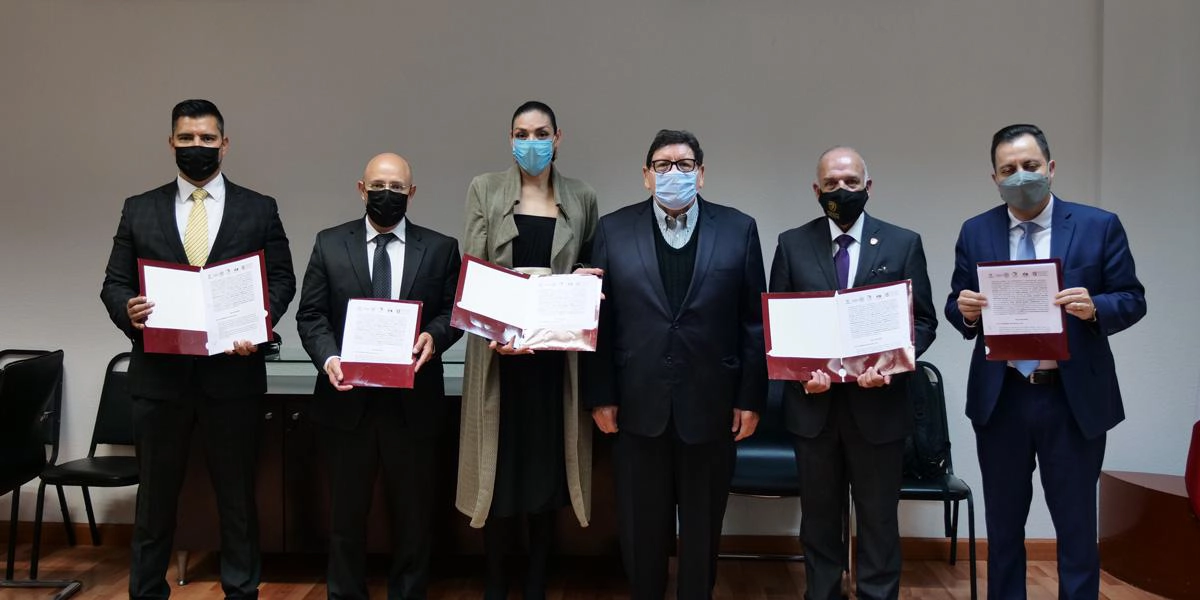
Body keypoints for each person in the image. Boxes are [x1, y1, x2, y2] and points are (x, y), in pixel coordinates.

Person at [100, 99, 296, 599]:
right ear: (171, 143)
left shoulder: (259, 207)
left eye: (207, 139)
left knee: (237, 498)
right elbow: (114, 284)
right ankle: (146, 592)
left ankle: (241, 591)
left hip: (233, 377)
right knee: (155, 501)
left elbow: (281, 279)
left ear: (224, 145)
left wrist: (259, 323)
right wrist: (128, 310)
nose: (197, 147)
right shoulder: (139, 208)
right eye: (186, 138)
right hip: (159, 379)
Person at [947, 124, 1146, 599]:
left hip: (1071, 400)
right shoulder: (976, 230)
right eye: (1008, 169)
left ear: (1051, 168)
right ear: (995, 178)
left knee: (1076, 528)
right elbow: (957, 304)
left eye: (1030, 166)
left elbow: (1132, 298)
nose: (1021, 176)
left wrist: (1095, 307)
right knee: (1003, 527)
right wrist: (966, 311)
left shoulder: (1099, 225)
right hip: (1002, 399)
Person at [582, 129, 766, 599]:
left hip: (711, 405)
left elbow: (753, 323)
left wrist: (750, 398)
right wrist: (601, 395)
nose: (673, 173)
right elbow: (600, 320)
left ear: (701, 175)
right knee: (641, 529)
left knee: (703, 531)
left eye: (685, 165)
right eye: (662, 165)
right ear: (646, 176)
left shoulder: (739, 229)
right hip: (637, 404)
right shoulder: (613, 229)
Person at [768, 146, 937, 600]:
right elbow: (779, 324)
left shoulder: (903, 243)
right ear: (816, 189)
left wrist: (891, 364)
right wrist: (800, 372)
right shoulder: (792, 244)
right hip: (814, 408)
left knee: (878, 519)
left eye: (850, 182)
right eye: (831, 183)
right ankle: (821, 593)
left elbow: (923, 322)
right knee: (819, 519)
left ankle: (878, 594)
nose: (841, 190)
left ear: (868, 187)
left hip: (879, 407)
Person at [296, 153, 462, 599]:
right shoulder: (330, 244)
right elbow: (311, 315)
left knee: (414, 519)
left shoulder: (440, 247)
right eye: (378, 186)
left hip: (414, 407)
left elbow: (452, 313)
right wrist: (328, 357)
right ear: (361, 189)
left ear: (412, 192)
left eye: (396, 187)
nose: (386, 194)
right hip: (346, 403)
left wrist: (434, 336)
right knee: (345, 518)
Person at [456, 101, 599, 600]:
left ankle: (537, 584)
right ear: (510, 138)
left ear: (558, 138)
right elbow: (472, 270)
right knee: (496, 477)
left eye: (541, 133)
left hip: (555, 364)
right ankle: (496, 585)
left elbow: (589, 266)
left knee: (546, 474)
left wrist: (585, 280)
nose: (531, 142)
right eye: (522, 133)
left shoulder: (582, 196)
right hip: (499, 359)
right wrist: (497, 332)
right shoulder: (484, 189)